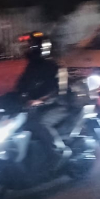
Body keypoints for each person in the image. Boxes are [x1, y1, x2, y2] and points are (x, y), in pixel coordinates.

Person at [15, 33, 71, 165]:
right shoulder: (32, 66)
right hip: (36, 107)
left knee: (41, 124)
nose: (28, 48)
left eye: (31, 45)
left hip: (58, 105)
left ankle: (56, 152)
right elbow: (22, 85)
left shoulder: (53, 66)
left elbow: (59, 90)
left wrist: (42, 100)